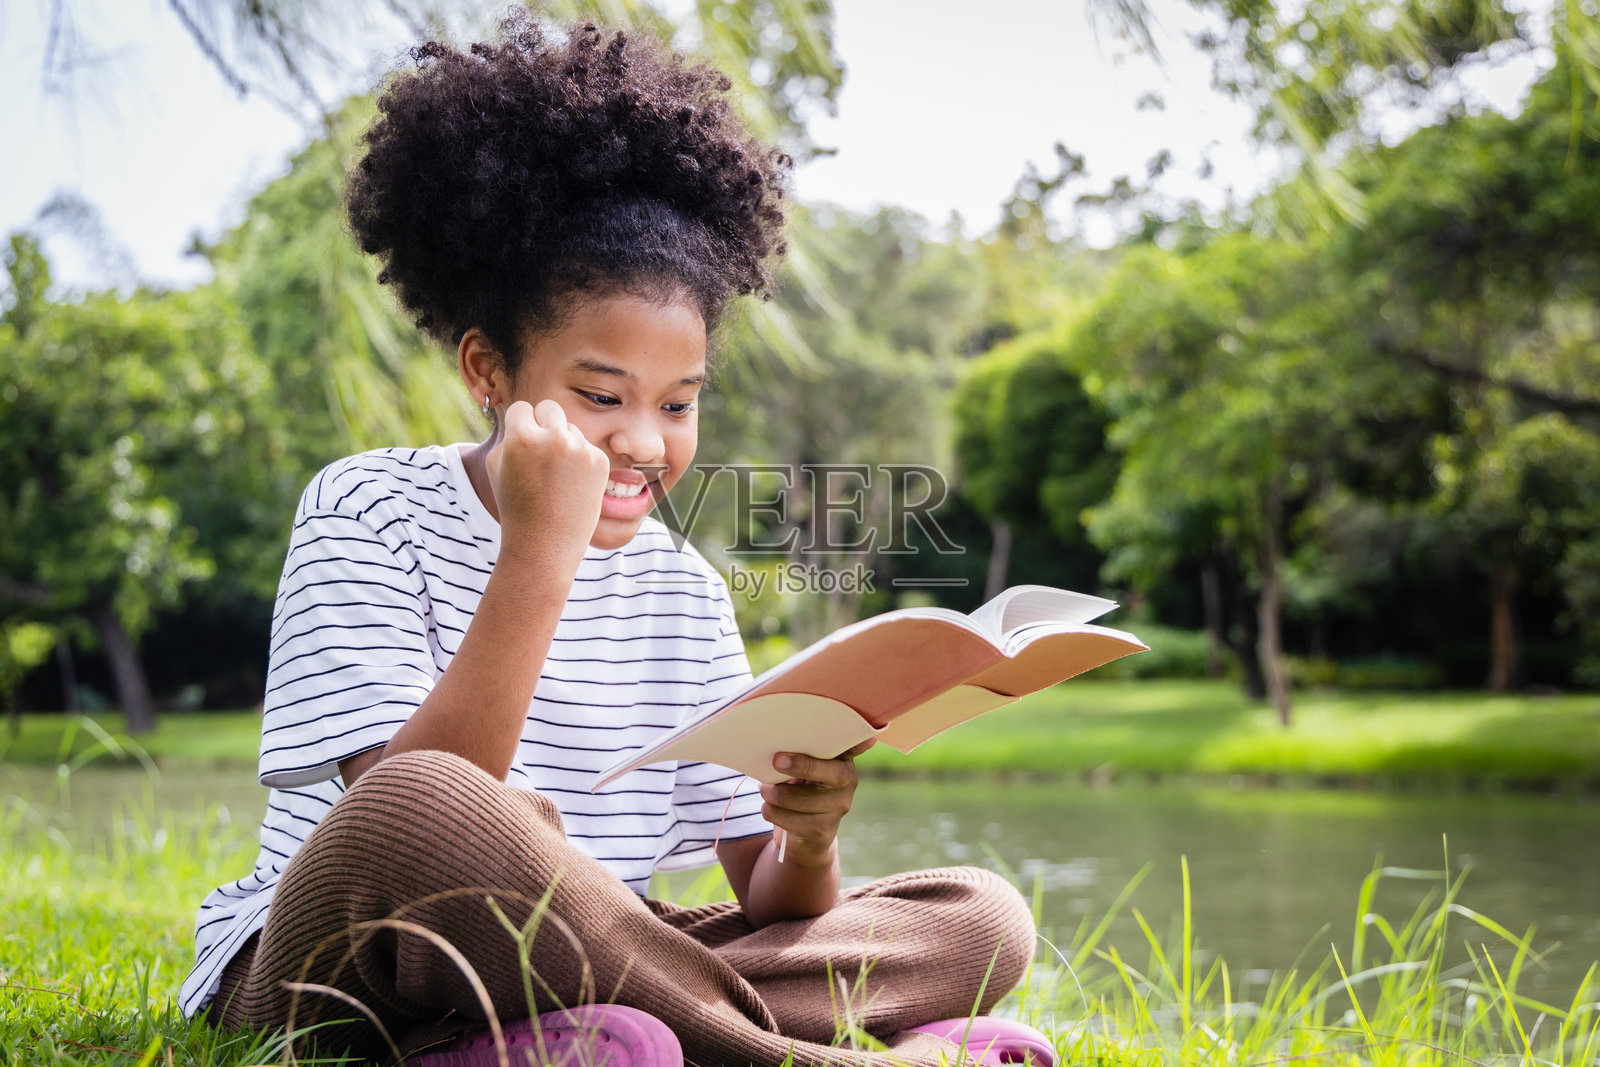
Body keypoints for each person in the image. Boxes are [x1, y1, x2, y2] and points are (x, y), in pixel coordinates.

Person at [180, 14, 1049, 1066]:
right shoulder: (365, 506)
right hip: (332, 969)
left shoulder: (682, 591)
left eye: (679, 404)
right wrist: (540, 552)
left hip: (575, 955)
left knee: (979, 913)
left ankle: (578, 1042)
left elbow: (766, 894)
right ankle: (812, 1054)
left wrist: (807, 834)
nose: (644, 441)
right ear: (487, 372)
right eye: (601, 394)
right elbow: (417, 824)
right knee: (432, 799)